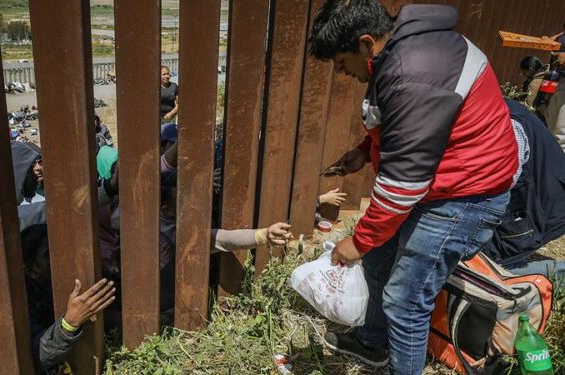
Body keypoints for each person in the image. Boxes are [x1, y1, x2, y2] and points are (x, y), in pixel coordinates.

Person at [309, 2, 517, 373]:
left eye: (341, 62)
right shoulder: (407, 50)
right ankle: (373, 343)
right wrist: (363, 151)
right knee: (377, 260)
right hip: (441, 181)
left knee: (405, 300)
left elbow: (403, 184)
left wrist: (356, 240)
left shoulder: (411, 70)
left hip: (465, 195)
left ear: (366, 43)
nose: (341, 72)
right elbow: (415, 134)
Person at [157, 171, 292, 318]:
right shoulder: (180, 234)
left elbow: (225, 237)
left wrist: (263, 235)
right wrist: (263, 235)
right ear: (167, 210)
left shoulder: (149, 219)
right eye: (185, 202)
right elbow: (224, 239)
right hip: (164, 303)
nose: (194, 204)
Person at [482, 99, 565, 280]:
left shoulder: (506, 123)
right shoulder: (492, 110)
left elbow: (498, 187)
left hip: (542, 205)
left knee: (486, 266)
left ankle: (557, 273)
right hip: (530, 196)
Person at [20, 224, 116, 374]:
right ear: (33, 271)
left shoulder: (76, 277)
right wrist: (69, 323)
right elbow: (37, 357)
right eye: (49, 255)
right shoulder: (23, 302)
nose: (61, 258)